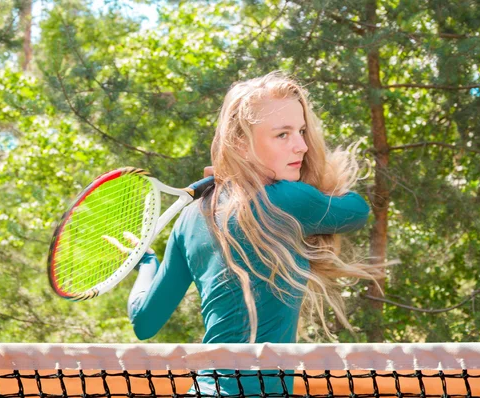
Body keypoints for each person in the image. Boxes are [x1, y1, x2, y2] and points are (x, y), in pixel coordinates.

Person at [117, 71, 382, 395]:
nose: (302, 146)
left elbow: (144, 321)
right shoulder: (286, 200)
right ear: (241, 143)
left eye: (301, 131)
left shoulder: (188, 220)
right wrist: (313, 178)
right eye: (282, 135)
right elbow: (357, 211)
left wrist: (146, 262)